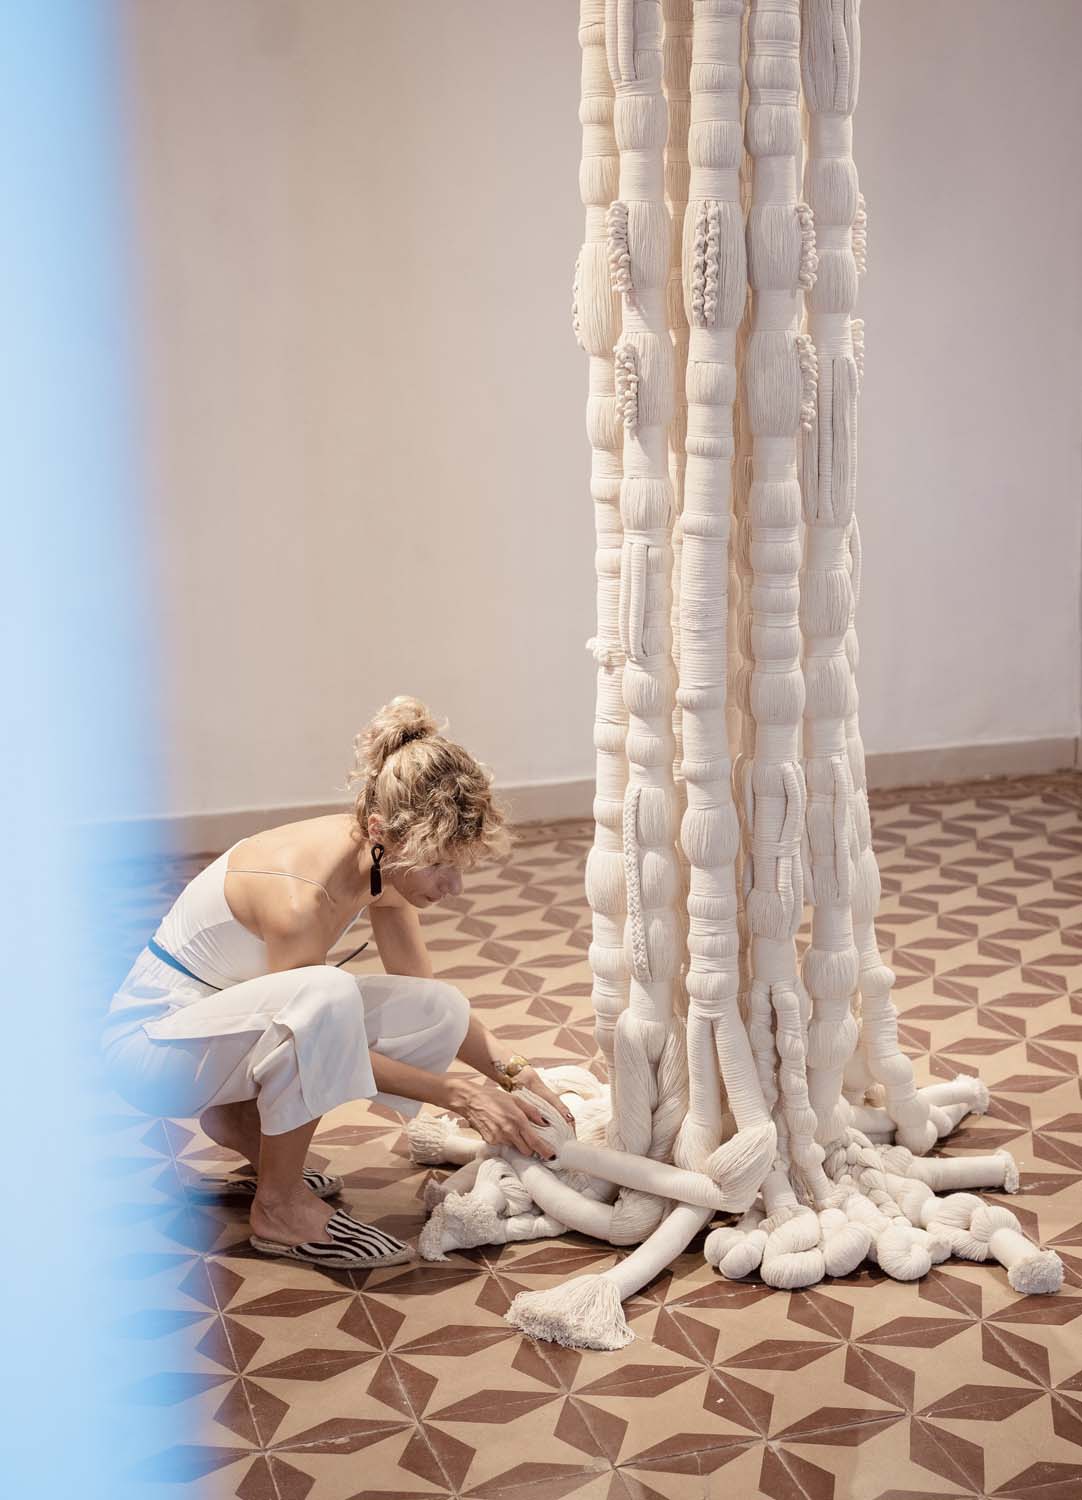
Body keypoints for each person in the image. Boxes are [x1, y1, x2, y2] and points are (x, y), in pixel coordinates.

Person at [100, 697, 575, 1270]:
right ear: (380, 831)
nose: (453, 887)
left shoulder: (379, 861)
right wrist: (463, 1096)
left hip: (215, 1025)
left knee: (439, 1008)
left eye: (459, 865)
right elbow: (317, 1036)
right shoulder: (299, 898)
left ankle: (239, 1119)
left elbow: (419, 995)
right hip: (153, 1051)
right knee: (326, 995)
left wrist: (515, 1072)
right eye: (439, 864)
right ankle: (279, 1207)